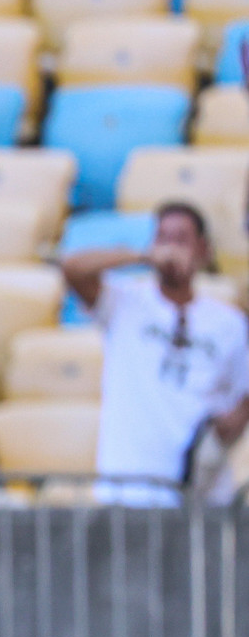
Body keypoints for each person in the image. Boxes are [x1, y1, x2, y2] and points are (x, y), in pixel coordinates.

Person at [62, 202, 249, 506]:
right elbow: (72, 268)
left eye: (181, 239)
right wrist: (141, 256)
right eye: (163, 238)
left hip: (201, 492)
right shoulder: (124, 302)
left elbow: (243, 394)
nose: (171, 249)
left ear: (203, 250)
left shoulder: (229, 323)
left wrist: (226, 431)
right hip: (129, 487)